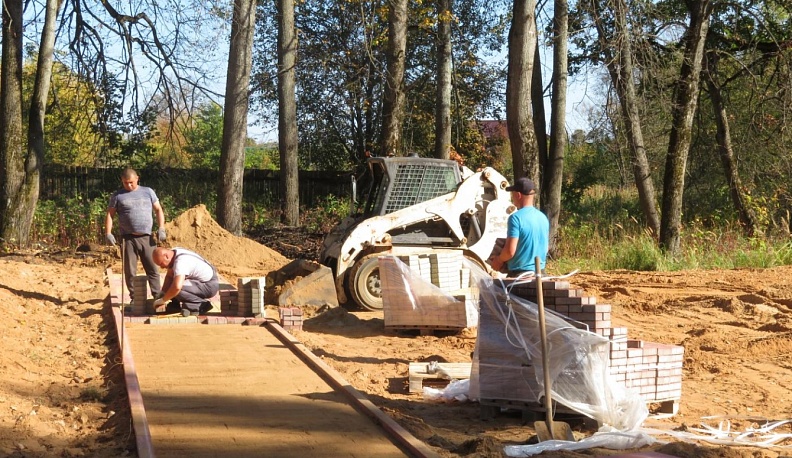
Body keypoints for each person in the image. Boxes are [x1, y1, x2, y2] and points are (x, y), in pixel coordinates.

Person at [105, 168, 167, 302]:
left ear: (137, 179)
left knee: (152, 268)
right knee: (130, 271)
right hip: (128, 238)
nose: (128, 185)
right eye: (125, 183)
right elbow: (110, 214)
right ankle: (135, 298)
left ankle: (157, 296)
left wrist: (161, 228)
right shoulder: (118, 196)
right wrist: (108, 233)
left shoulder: (148, 192)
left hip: (147, 237)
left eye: (131, 182)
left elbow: (158, 209)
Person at [489, 177, 549, 277]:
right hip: (540, 274)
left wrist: (498, 260)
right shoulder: (543, 217)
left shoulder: (515, 218)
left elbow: (510, 251)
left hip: (520, 276)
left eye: (512, 194)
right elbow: (545, 248)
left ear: (518, 195)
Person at [152, 247, 219, 316]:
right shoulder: (173, 253)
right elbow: (169, 276)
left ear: (166, 256)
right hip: (201, 281)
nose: (162, 267)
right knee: (173, 283)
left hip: (209, 285)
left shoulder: (180, 262)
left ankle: (199, 305)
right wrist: (163, 293)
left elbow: (177, 287)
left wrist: (163, 300)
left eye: (161, 264)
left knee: (176, 287)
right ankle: (175, 306)